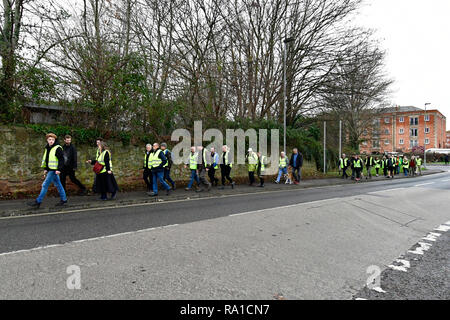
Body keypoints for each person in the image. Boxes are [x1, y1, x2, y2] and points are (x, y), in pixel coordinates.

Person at [27, 133, 68, 209]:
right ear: (47, 140)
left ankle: (38, 201)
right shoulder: (48, 148)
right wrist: (45, 169)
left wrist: (59, 169)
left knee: (45, 185)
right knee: (59, 185)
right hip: (51, 170)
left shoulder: (57, 148)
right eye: (50, 139)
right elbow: (47, 159)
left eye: (53, 139)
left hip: (54, 170)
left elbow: (61, 159)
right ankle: (64, 199)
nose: (51, 141)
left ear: (55, 140)